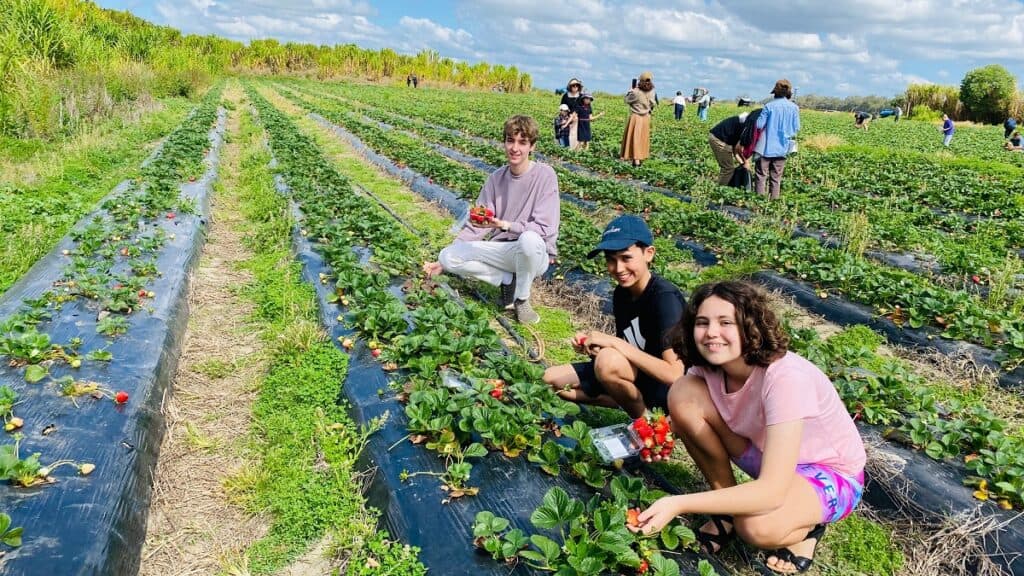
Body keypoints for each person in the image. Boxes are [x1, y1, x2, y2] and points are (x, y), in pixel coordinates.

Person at [629, 280, 866, 575]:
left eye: (725, 322)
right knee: (682, 392)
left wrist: (678, 504)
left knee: (755, 526)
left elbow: (771, 491)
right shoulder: (707, 369)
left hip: (828, 473)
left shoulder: (785, 377)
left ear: (749, 327)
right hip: (765, 455)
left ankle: (808, 530)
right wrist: (657, 436)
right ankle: (727, 508)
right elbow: (687, 418)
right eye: (702, 322)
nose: (711, 332)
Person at [422, 116, 560, 325]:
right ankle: (506, 280)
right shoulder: (496, 178)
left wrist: (504, 225)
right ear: (503, 142)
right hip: (505, 251)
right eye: (510, 140)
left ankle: (522, 300)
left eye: (522, 142)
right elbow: (476, 224)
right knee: (448, 256)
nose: (515, 148)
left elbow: (545, 228)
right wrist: (442, 263)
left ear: (532, 146)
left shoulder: (545, 175)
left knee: (529, 239)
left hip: (535, 253)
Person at [543, 215, 685, 417]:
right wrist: (597, 347)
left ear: (649, 253)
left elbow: (674, 374)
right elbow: (631, 347)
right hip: (638, 374)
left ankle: (648, 422)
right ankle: (628, 400)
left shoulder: (664, 299)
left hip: (666, 387)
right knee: (551, 380)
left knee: (608, 363)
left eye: (626, 258)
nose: (618, 268)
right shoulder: (622, 293)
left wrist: (613, 344)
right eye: (611, 259)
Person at [754, 79, 800, 200]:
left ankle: (759, 202)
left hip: (765, 147)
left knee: (761, 175)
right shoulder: (794, 108)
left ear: (775, 92)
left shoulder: (769, 106)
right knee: (776, 177)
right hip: (783, 148)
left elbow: (759, 125)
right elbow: (796, 128)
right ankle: (774, 202)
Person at [621, 71, 657, 167]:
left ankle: (636, 161)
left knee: (635, 139)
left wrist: (630, 91)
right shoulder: (652, 92)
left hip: (636, 117)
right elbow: (653, 103)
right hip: (646, 118)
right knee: (643, 139)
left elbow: (626, 100)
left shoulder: (636, 92)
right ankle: (640, 159)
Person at [708, 112, 751, 186]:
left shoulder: (745, 122)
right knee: (728, 168)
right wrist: (746, 162)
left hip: (720, 137)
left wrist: (742, 163)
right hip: (719, 139)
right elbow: (738, 148)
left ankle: (724, 186)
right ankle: (720, 190)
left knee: (728, 167)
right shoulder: (747, 127)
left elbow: (735, 150)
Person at [561, 78, 584, 149]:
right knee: (568, 135)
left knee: (576, 135)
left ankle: (575, 150)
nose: (575, 87)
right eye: (573, 85)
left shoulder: (581, 96)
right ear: (570, 86)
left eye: (576, 85)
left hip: (578, 118)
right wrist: (565, 117)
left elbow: (584, 108)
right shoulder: (565, 96)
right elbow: (562, 107)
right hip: (567, 117)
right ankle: (568, 148)